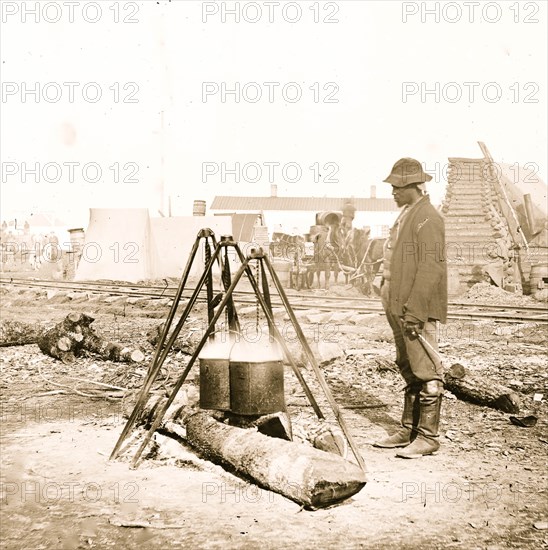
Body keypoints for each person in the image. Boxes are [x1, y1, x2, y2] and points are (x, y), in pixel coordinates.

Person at [374, 158, 447, 458]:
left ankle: (428, 437)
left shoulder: (428, 218)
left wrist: (415, 312)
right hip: (398, 302)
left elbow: (431, 268)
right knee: (407, 365)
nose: (392, 192)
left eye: (397, 188)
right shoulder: (408, 214)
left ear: (414, 187)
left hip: (414, 306)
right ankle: (410, 428)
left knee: (426, 369)